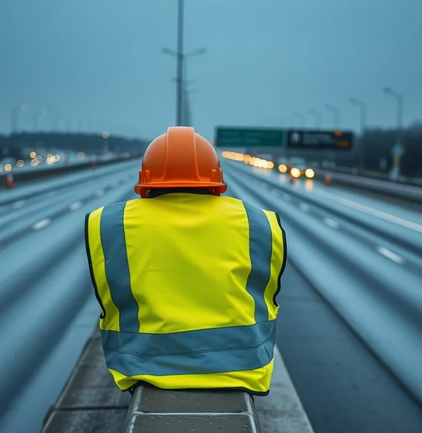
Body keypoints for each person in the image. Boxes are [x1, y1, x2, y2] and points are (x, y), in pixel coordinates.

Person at [84, 127, 286, 394]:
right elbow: (268, 293)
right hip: (243, 368)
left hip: (141, 367)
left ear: (145, 182)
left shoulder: (108, 224)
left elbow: (109, 299)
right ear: (216, 182)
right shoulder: (258, 222)